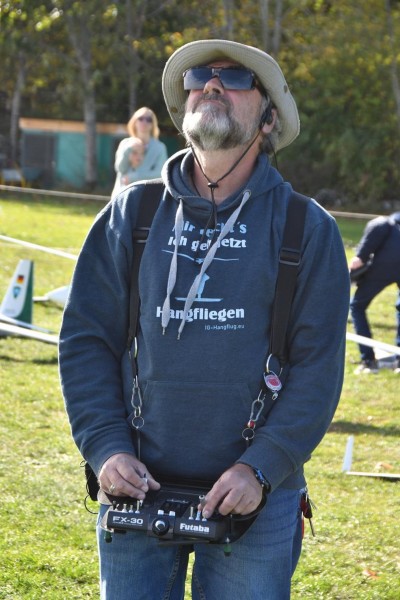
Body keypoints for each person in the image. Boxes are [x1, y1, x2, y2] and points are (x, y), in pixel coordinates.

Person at [59, 39, 350, 600]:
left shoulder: (308, 228)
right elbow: (86, 341)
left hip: (255, 497)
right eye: (200, 76)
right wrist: (105, 447)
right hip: (135, 486)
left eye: (236, 78)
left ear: (268, 118)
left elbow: (318, 370)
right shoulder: (131, 213)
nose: (212, 83)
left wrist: (261, 468)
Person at [349, 211, 400, 374]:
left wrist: (349, 275)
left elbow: (358, 260)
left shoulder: (380, 223)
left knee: (357, 306)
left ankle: (368, 361)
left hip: (382, 268)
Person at [112, 106, 168, 196]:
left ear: (153, 124)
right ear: (134, 122)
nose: (144, 122)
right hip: (121, 194)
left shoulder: (160, 147)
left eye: (149, 120)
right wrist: (129, 149)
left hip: (146, 196)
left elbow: (159, 174)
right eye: (140, 118)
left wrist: (133, 177)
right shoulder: (125, 143)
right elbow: (120, 168)